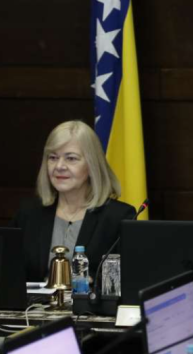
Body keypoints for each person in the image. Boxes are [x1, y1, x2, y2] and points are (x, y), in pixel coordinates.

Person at [12, 120, 135, 282]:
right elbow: (9, 271)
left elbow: (126, 280)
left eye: (71, 158)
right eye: (53, 157)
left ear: (92, 165)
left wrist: (91, 282)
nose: (59, 166)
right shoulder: (29, 214)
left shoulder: (118, 217)